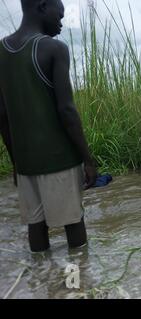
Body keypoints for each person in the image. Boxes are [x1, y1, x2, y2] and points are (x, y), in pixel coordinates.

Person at [0, 0, 97, 252]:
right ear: (43, 7)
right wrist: (88, 159)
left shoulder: (1, 51)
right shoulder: (54, 49)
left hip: (25, 164)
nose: (62, 22)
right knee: (73, 224)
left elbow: (2, 116)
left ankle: (45, 281)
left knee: (36, 227)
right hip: (59, 160)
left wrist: (16, 162)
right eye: (60, 14)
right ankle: (78, 283)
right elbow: (66, 110)